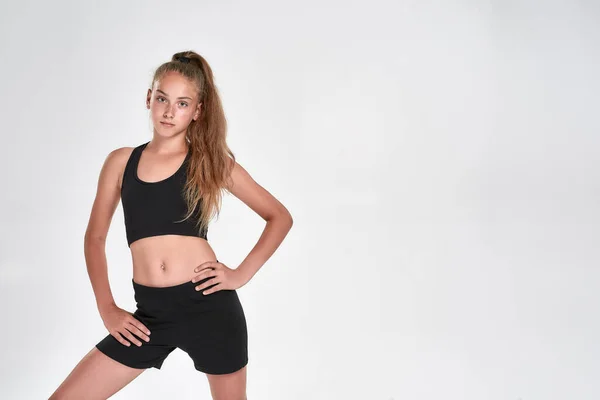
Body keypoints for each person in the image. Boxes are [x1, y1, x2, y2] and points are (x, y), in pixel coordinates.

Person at [49, 51, 293, 400]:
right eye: (162, 98)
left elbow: (279, 216)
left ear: (197, 111)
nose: (168, 111)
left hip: (210, 307)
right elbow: (95, 237)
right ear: (149, 98)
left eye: (181, 103)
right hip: (149, 315)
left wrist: (239, 274)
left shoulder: (209, 162)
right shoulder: (121, 161)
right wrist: (107, 309)